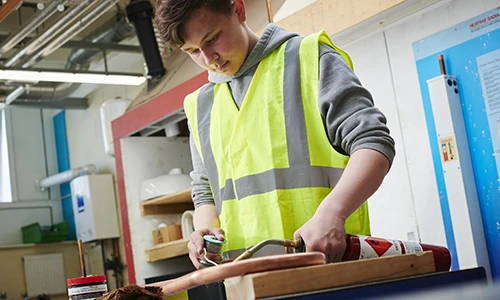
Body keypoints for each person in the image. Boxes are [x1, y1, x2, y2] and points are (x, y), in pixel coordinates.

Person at [155, 0, 395, 269]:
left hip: (328, 267)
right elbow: (205, 192)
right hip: (248, 281)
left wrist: (333, 213)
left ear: (238, 10)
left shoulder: (307, 58)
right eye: (192, 51)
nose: (208, 59)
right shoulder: (200, 106)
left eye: (212, 39)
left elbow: (373, 143)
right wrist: (204, 231)